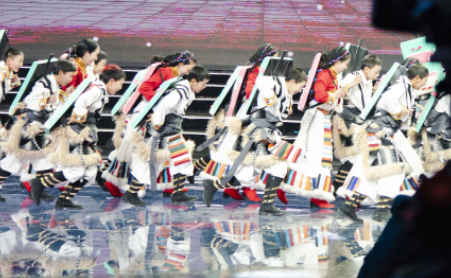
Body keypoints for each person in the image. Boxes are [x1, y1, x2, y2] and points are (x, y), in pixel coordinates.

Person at [202, 68, 307, 215]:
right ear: (292, 81)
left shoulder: (287, 93)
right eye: (300, 87)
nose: (300, 90)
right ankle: (216, 186)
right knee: (264, 170)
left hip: (269, 133)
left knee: (258, 172)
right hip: (259, 133)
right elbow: (261, 80)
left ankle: (215, 186)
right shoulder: (276, 83)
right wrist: (269, 96)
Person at [337, 64, 428, 223]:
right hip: (380, 134)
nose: (424, 84)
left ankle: (349, 207)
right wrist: (404, 110)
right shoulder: (401, 87)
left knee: (377, 174)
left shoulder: (405, 87)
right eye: (424, 81)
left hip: (379, 133)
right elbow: (388, 100)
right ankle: (380, 211)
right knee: (395, 171)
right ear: (418, 78)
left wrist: (403, 112)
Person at [0, 59, 78, 202]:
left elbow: (53, 103)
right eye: (70, 76)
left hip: (36, 127)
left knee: (38, 160)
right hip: (29, 127)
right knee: (19, 160)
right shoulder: (43, 84)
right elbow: (31, 102)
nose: (70, 80)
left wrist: (64, 96)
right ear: (61, 73)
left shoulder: (52, 84)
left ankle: (34, 190)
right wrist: (47, 101)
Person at [31, 65, 126, 209]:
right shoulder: (97, 90)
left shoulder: (97, 88)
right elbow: (81, 102)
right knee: (77, 170)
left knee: (90, 172)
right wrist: (78, 121)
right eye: (120, 84)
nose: (120, 88)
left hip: (82, 131)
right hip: (77, 133)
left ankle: (64, 199)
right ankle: (39, 183)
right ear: (112, 81)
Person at [121, 65, 210, 207]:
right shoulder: (180, 91)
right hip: (162, 132)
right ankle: (130, 194)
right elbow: (163, 107)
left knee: (182, 159)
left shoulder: (186, 90)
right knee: (151, 163)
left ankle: (177, 194)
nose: (204, 87)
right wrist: (157, 125)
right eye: (203, 84)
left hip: (172, 131)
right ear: (193, 81)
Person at [282, 47, 351, 208]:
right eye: (345, 63)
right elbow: (320, 95)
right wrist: (336, 95)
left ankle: (312, 192)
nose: (346, 67)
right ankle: (312, 193)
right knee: (312, 156)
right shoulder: (325, 74)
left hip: (322, 118)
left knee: (315, 156)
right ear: (337, 61)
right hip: (316, 117)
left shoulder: (332, 75)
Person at [332, 54, 382, 193]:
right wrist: (354, 82)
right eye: (376, 72)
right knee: (355, 155)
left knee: (356, 155)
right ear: (366, 69)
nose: (377, 75)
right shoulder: (353, 76)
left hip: (358, 120)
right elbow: (337, 92)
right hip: (347, 118)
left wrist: (374, 92)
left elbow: (364, 103)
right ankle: (340, 187)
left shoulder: (368, 81)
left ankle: (339, 187)